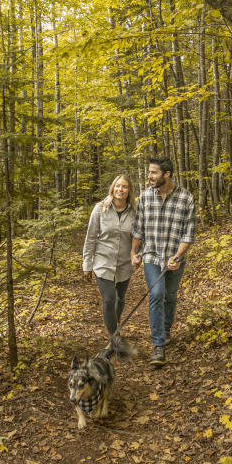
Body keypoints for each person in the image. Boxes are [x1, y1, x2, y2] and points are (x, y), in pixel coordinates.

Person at [130, 157, 195, 367]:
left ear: (166, 174)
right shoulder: (145, 197)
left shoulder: (186, 198)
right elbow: (138, 229)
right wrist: (134, 252)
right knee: (156, 294)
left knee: (170, 296)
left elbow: (189, 233)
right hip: (151, 256)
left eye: (154, 173)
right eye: (149, 172)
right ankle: (158, 346)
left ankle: (166, 329)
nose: (149, 176)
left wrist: (177, 256)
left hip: (175, 257)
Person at [82, 175, 137, 336]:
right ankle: (115, 339)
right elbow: (90, 237)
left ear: (129, 191)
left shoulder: (134, 211)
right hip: (102, 261)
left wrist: (137, 254)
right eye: (117, 186)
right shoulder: (100, 209)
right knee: (109, 299)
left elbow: (138, 237)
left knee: (120, 299)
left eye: (124, 187)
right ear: (112, 188)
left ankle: (115, 324)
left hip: (124, 264)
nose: (120, 189)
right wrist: (87, 264)